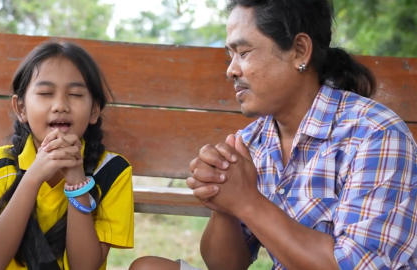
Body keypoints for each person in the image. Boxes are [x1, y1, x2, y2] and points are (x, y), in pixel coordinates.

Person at [129, 0, 417, 269]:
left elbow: (355, 263)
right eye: (230, 56)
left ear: (300, 50)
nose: (231, 70)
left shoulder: (375, 134)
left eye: (243, 53)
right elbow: (225, 265)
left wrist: (246, 200)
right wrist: (224, 202)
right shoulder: (254, 140)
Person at [0, 40, 134, 270]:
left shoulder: (112, 171)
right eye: (45, 93)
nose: (60, 105)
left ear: (94, 109)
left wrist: (77, 181)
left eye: (75, 94)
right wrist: (33, 177)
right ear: (21, 108)